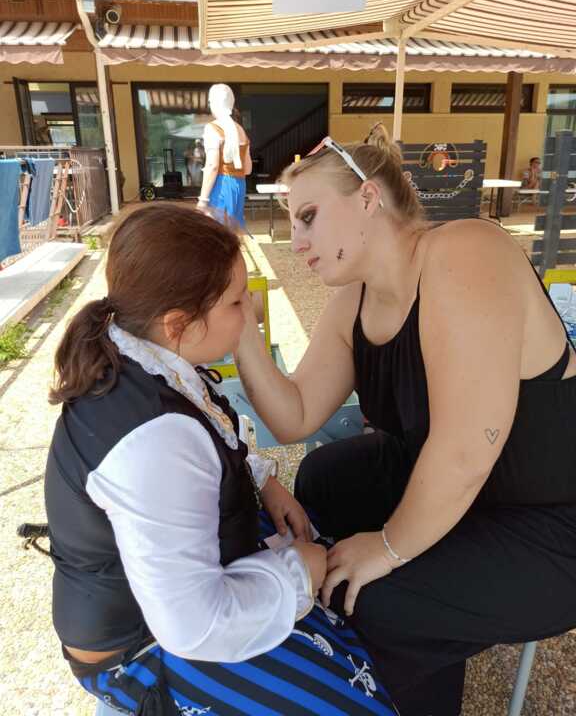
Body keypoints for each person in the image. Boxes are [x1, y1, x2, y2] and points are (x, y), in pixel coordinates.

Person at [234, 127, 576, 716]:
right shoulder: (354, 299)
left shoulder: (467, 251)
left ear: (368, 198)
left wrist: (388, 548)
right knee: (323, 477)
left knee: (376, 600)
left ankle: (390, 642)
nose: (296, 241)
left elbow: (466, 448)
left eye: (309, 216)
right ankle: (405, 640)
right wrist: (238, 322)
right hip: (463, 490)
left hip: (550, 518)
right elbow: (296, 416)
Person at [44, 203, 398, 716]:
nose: (249, 310)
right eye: (236, 302)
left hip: (169, 593)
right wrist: (298, 571)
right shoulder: (155, 441)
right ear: (179, 324)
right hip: (143, 645)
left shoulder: (142, 352)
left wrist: (265, 483)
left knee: (343, 606)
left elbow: (216, 430)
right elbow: (194, 626)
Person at [197, 84, 252, 230]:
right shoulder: (240, 130)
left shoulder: (212, 128)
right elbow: (247, 169)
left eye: (210, 102)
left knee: (217, 232)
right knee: (232, 232)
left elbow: (212, 166)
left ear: (214, 103)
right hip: (239, 185)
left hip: (221, 186)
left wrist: (203, 200)